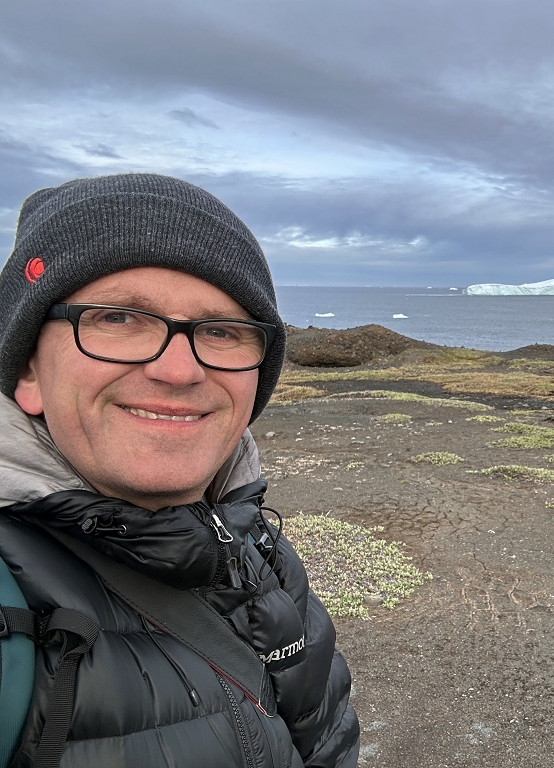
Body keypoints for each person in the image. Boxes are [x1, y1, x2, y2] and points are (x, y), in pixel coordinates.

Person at [0, 174, 359, 767]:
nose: (178, 370)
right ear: (28, 369)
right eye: (119, 319)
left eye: (220, 331)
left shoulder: (252, 540)